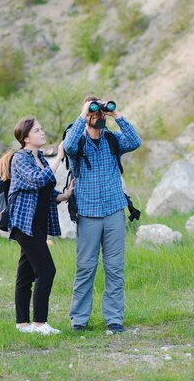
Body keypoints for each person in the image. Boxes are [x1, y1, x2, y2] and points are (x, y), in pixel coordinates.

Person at [64, 96, 141, 333]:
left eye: (99, 112)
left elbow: (135, 141)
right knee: (86, 268)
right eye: (93, 112)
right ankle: (79, 320)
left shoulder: (112, 139)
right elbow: (67, 147)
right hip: (88, 212)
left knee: (115, 268)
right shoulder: (78, 143)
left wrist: (115, 115)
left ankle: (114, 319)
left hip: (114, 211)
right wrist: (82, 114)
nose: (97, 116)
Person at [0, 116, 74, 335]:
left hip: (39, 224)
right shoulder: (20, 159)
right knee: (47, 270)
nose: (42, 132)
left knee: (25, 274)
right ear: (26, 137)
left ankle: (22, 324)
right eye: (37, 130)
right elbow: (38, 180)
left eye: (41, 128)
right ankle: (40, 324)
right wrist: (59, 157)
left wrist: (65, 195)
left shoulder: (39, 157)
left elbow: (45, 191)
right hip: (24, 222)